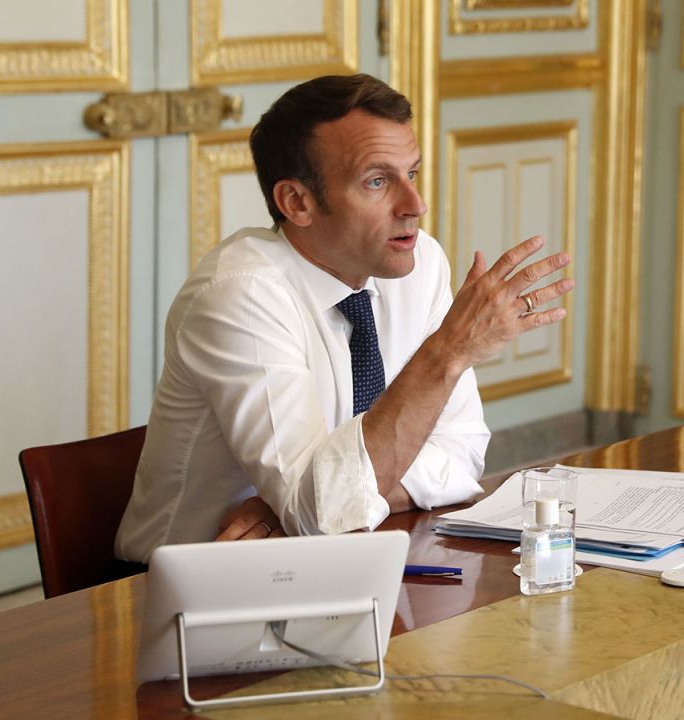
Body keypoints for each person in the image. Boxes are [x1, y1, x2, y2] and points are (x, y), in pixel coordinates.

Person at [115, 74, 572, 562]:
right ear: (297, 202)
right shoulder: (240, 297)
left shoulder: (421, 264)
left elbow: (461, 457)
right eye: (377, 181)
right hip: (183, 590)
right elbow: (322, 514)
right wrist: (450, 350)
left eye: (412, 174)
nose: (414, 206)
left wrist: (300, 509)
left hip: (334, 560)